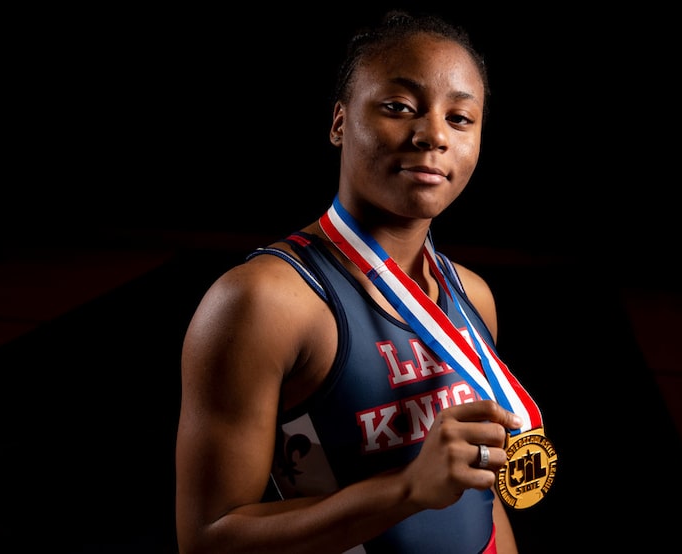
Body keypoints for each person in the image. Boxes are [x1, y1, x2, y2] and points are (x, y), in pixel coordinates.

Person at [176, 10, 542, 553]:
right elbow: (208, 540)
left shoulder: (473, 297)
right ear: (340, 122)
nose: (433, 135)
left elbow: (479, 504)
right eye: (399, 107)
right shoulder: (264, 302)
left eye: (461, 118)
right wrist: (408, 489)